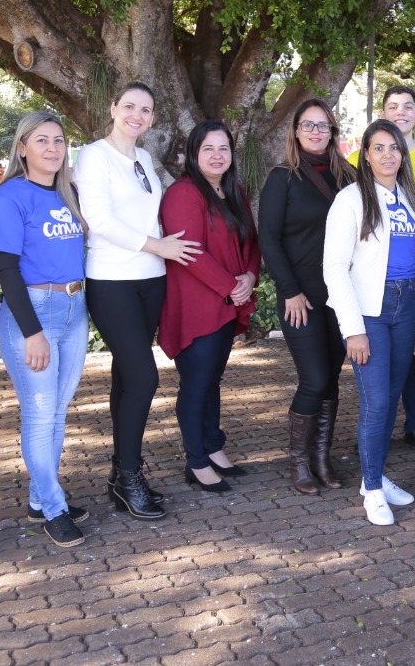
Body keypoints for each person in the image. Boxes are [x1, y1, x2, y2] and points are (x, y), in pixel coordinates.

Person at [75, 81, 201, 520]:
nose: (137, 115)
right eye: (129, 106)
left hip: (151, 280)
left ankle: (120, 476)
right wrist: (158, 246)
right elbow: (100, 220)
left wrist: (164, 247)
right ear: (113, 108)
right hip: (113, 281)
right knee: (144, 378)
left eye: (145, 110)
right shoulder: (94, 156)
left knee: (126, 377)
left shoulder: (144, 159)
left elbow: (149, 215)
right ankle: (129, 475)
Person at [0, 112, 90, 549]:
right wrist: (32, 333)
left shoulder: (69, 194)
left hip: (74, 308)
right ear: (22, 147)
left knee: (58, 411)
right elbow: (5, 269)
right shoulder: (9, 197)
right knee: (41, 412)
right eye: (41, 140)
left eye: (59, 140)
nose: (52, 148)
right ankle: (53, 507)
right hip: (33, 312)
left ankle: (39, 497)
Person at [325, 119, 415, 525]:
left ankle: (376, 475)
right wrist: (352, 329)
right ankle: (372, 489)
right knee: (377, 401)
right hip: (370, 310)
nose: (388, 155)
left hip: (407, 307)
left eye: (394, 147)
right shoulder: (351, 199)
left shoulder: (410, 197)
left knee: (392, 395)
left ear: (403, 154)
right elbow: (335, 267)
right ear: (366, 156)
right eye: (379, 148)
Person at [259, 99, 356, 495]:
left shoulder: (348, 176)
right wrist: (290, 291)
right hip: (300, 297)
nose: (316, 131)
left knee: (331, 378)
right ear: (296, 131)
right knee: (313, 379)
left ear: (333, 132)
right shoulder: (282, 177)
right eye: (308, 125)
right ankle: (299, 461)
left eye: (323, 125)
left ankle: (321, 457)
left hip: (341, 297)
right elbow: (269, 239)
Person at [159, 121, 261, 494]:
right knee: (197, 383)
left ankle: (213, 446)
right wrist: (231, 287)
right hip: (197, 304)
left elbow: (251, 241)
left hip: (228, 300)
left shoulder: (234, 192)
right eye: (208, 149)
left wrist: (249, 276)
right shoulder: (183, 193)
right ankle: (197, 461)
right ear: (193, 153)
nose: (217, 156)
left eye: (224, 148)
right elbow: (191, 254)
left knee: (212, 380)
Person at [350, 85, 415, 451]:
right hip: (375, 290)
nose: (401, 112)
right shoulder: (355, 166)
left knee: (413, 363)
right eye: (393, 106)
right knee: (379, 381)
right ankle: (375, 447)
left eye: (408, 106)